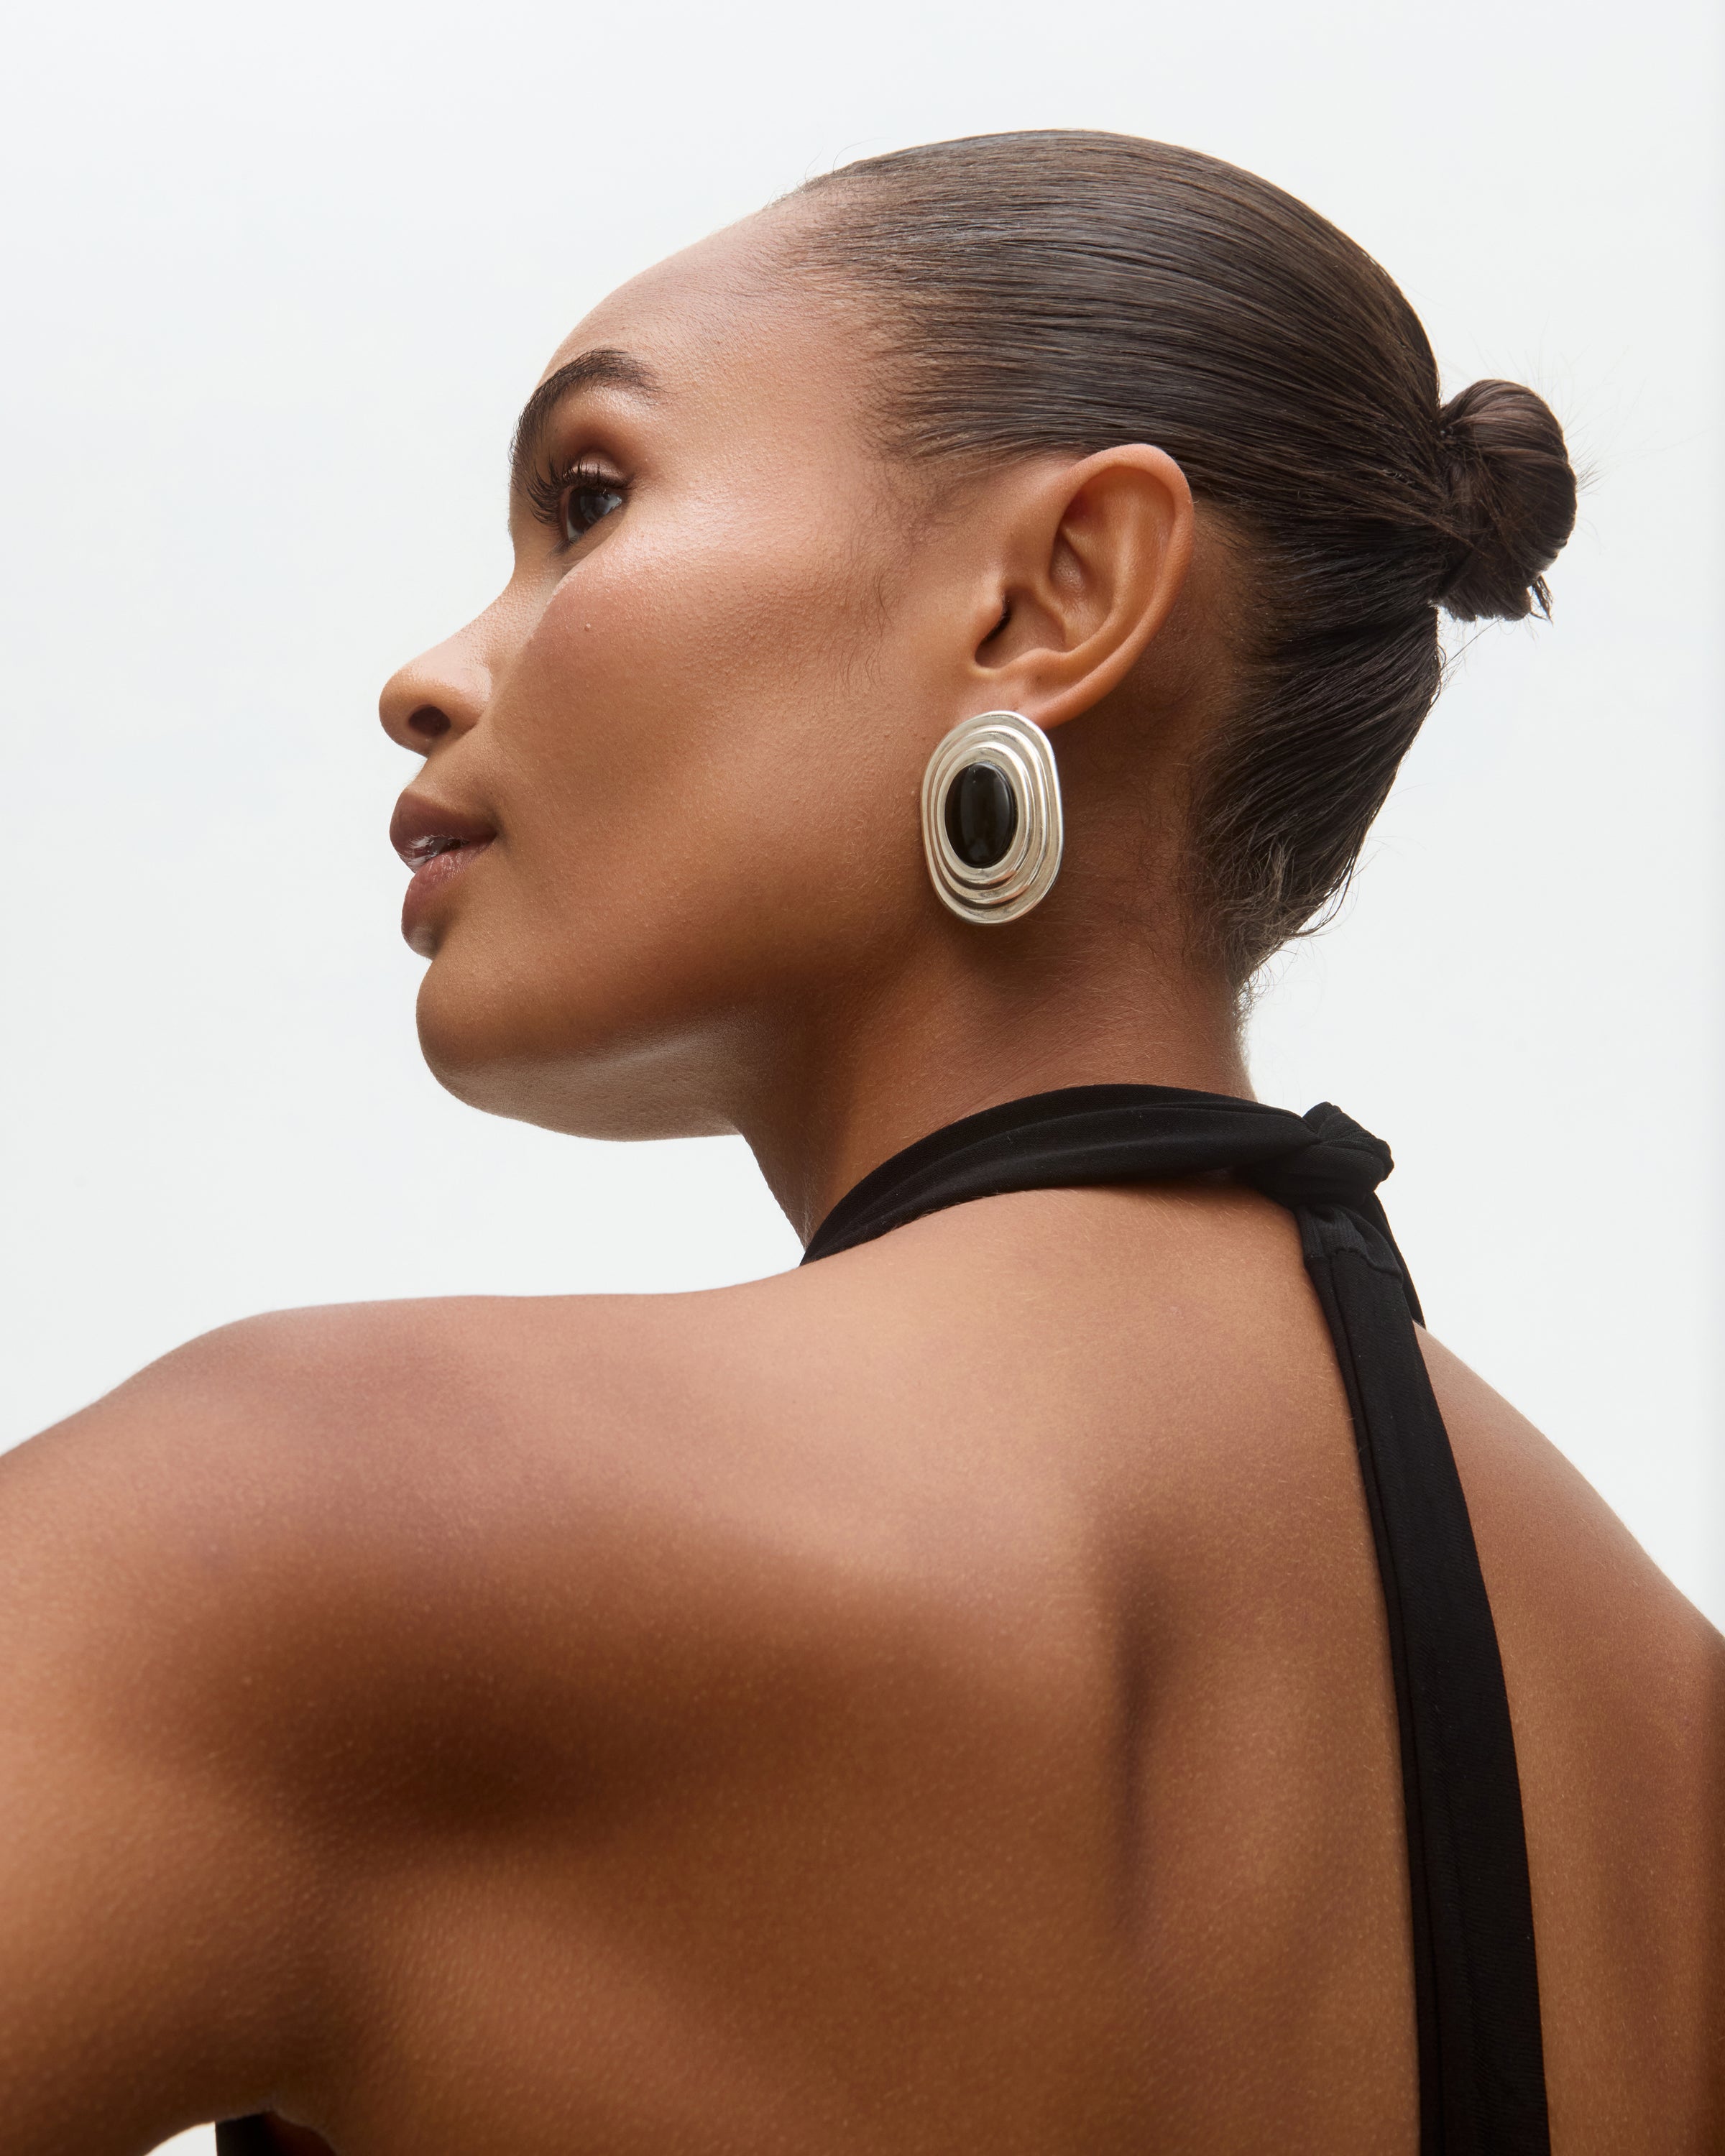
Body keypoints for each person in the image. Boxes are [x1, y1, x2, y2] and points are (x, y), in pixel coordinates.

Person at [2, 131, 1719, 2156]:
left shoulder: (309, 1523)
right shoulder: (1672, 1748)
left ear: (1057, 595)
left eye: (587, 500)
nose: (430, 675)